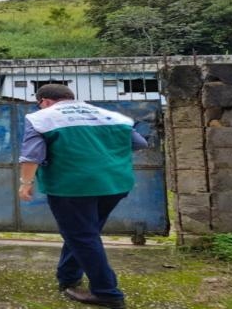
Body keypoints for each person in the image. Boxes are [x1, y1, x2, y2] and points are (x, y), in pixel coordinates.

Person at [18, 84, 148, 309]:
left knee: (82, 236)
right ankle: (68, 277)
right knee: (84, 233)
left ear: (45, 101)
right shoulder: (109, 115)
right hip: (115, 184)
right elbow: (139, 143)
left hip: (72, 186)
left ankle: (107, 292)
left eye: (40, 102)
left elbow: (32, 155)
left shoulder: (42, 117)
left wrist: (25, 183)